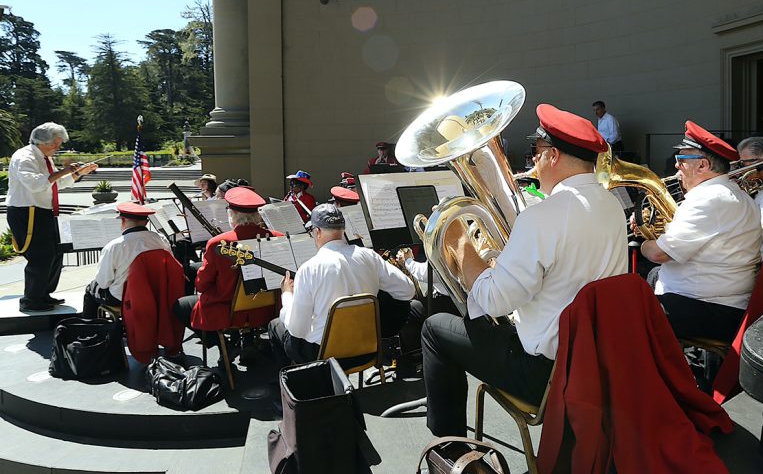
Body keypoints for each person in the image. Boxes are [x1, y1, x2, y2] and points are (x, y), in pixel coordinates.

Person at [422, 104, 627, 437]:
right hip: (592, 361)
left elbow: (491, 301)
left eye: (537, 151)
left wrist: (461, 244)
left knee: (434, 329)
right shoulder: (612, 206)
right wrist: (505, 263)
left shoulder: (542, 217)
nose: (533, 161)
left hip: (543, 373)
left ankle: (450, 445)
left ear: (553, 156)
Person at [640, 121, 761, 343]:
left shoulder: (708, 198)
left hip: (709, 306)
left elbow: (659, 254)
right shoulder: (734, 193)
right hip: (721, 299)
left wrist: (644, 242)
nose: (676, 166)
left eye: (681, 160)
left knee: (620, 313)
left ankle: (654, 375)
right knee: (648, 280)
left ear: (703, 165)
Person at [268, 204, 415, 372]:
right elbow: (408, 290)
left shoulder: (308, 269)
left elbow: (297, 329)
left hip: (325, 357)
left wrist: (287, 295)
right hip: (368, 350)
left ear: (317, 232)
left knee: (275, 326)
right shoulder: (369, 256)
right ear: (342, 229)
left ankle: (296, 390)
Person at [7, 122, 98, 312]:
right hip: (27, 212)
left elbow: (56, 184)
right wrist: (64, 171)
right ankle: (31, 299)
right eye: (54, 144)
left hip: (44, 211)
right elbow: (35, 184)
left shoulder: (44, 157)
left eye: (59, 143)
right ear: (41, 141)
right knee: (40, 256)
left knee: (56, 253)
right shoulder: (24, 157)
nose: (58, 148)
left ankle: (43, 293)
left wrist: (77, 173)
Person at [174, 187, 284, 333]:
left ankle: (224, 347)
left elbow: (202, 284)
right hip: (268, 309)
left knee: (181, 306)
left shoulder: (218, 242)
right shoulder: (278, 238)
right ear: (257, 215)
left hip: (228, 312)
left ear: (232, 214)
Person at [82, 202, 172, 317]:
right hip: (155, 292)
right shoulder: (161, 239)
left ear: (123, 221)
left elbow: (104, 282)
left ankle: (92, 329)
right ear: (147, 222)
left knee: (91, 289)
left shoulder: (114, 246)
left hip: (124, 297)